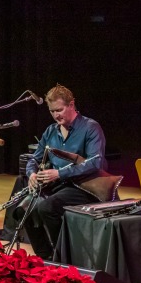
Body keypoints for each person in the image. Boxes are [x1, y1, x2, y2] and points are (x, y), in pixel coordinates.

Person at [18, 84, 107, 259]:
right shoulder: (51, 131)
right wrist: (32, 174)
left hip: (85, 187)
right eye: (52, 111)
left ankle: (65, 257)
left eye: (59, 109)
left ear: (72, 105)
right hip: (61, 186)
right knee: (23, 209)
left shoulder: (90, 127)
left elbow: (96, 162)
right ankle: (46, 258)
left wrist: (59, 174)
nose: (56, 115)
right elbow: (34, 159)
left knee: (47, 207)